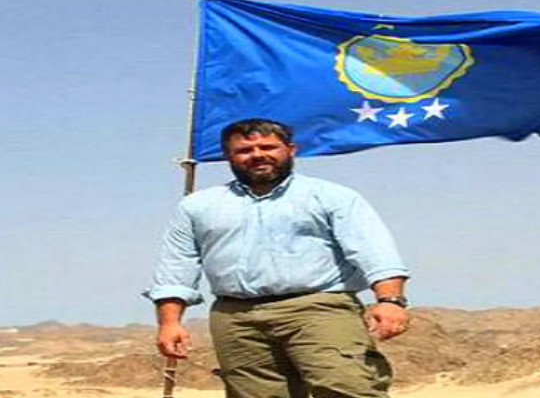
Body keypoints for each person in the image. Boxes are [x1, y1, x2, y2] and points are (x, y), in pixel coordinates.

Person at [145, 118, 410, 398]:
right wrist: (169, 322)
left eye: (268, 147)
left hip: (319, 309)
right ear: (228, 156)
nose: (258, 155)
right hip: (236, 318)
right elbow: (177, 265)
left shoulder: (331, 196)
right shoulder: (198, 206)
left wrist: (390, 301)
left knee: (346, 388)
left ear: (291, 150)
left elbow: (374, 250)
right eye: (244, 150)